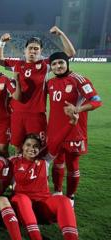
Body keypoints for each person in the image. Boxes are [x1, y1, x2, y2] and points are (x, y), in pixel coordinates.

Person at [8, 133, 87, 240]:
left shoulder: (45, 160)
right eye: (28, 145)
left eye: (35, 146)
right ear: (22, 146)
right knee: (21, 198)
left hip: (42, 206)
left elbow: (57, 140)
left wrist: (71, 123)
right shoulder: (12, 161)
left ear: (40, 149)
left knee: (63, 200)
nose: (31, 149)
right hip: (23, 206)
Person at [0, 26, 76, 151]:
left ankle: (37, 170)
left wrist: (60, 34)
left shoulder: (46, 65)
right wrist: (2, 42)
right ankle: (20, 170)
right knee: (18, 147)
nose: (33, 51)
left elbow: (70, 53)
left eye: (36, 49)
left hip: (36, 115)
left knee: (37, 148)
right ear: (25, 50)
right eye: (30, 48)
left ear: (41, 51)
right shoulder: (17, 64)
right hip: (17, 113)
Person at [46, 52, 102, 202]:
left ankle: (70, 196)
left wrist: (78, 109)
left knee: (72, 165)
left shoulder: (78, 80)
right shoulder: (50, 83)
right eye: (54, 64)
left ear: (67, 63)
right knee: (57, 163)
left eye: (61, 63)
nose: (58, 66)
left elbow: (97, 100)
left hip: (74, 131)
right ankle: (57, 192)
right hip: (55, 132)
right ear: (51, 67)